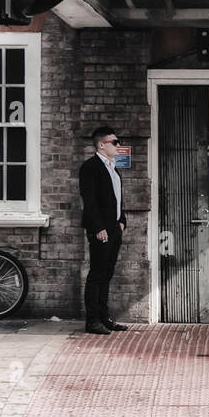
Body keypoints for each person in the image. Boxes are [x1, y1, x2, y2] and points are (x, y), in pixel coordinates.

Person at [79, 126, 129, 335]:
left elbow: (116, 199)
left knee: (107, 274)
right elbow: (89, 200)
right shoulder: (90, 167)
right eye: (114, 142)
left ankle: (104, 317)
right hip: (101, 230)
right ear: (102, 145)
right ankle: (92, 321)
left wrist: (122, 220)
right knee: (97, 274)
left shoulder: (113, 168)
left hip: (114, 227)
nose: (119, 146)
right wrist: (98, 227)